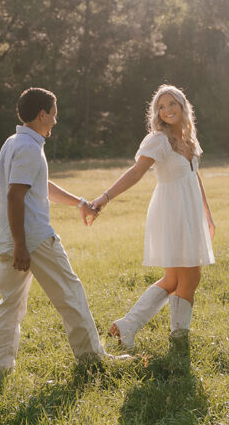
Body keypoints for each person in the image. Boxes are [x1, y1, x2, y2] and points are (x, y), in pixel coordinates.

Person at [0, 87, 126, 370]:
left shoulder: (15, 142)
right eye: (53, 114)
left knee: (10, 306)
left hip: (10, 239)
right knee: (71, 294)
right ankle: (93, 360)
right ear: (42, 114)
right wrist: (21, 244)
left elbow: (40, 185)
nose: (55, 120)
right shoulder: (28, 147)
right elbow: (15, 195)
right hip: (33, 239)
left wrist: (80, 203)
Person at [92, 85, 215, 349]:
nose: (167, 110)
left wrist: (207, 213)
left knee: (174, 279)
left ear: (183, 106)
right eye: (161, 106)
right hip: (172, 212)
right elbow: (135, 173)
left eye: (172, 104)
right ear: (157, 113)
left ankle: (126, 326)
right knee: (190, 278)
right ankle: (179, 338)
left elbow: (195, 175)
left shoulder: (189, 138)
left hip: (191, 212)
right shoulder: (158, 140)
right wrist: (105, 197)